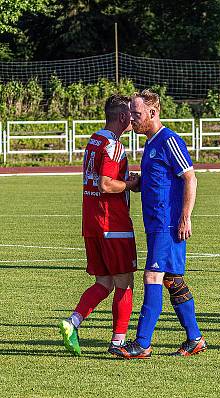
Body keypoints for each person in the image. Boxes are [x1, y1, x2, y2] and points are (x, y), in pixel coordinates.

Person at [109, 89, 206, 358]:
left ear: (153, 113)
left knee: (152, 276)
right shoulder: (150, 143)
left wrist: (185, 217)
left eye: (137, 114)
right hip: (155, 224)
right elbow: (162, 179)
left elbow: (190, 178)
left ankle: (142, 343)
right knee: (173, 280)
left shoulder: (168, 140)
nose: (132, 118)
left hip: (167, 224)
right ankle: (195, 338)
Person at [59, 94, 139, 356]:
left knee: (104, 283)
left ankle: (72, 322)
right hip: (112, 223)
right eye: (131, 113)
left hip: (91, 222)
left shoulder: (94, 140)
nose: (134, 117)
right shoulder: (114, 145)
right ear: (123, 117)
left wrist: (126, 179)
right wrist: (130, 184)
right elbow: (106, 184)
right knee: (124, 282)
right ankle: (118, 342)